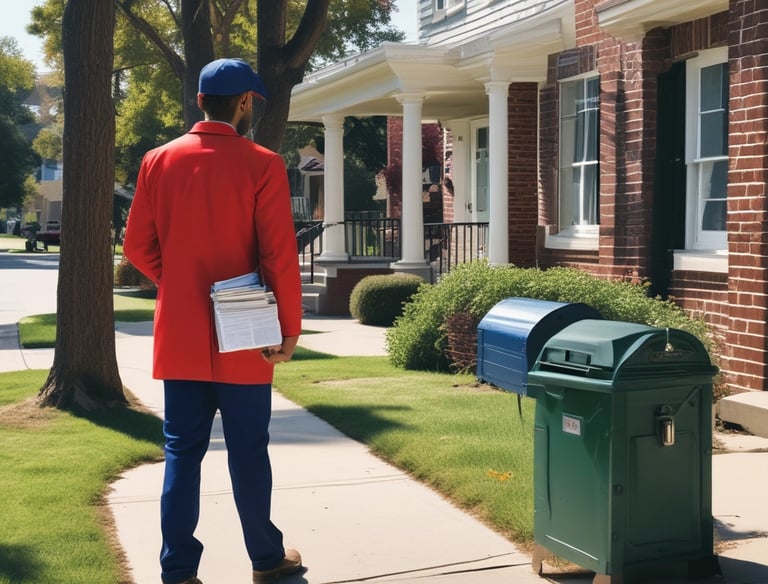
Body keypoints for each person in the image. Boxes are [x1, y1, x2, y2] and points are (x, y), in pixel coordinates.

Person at [123, 58, 303, 584]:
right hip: (245, 332)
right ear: (245, 102)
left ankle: (178, 571)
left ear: (201, 101)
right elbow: (277, 255)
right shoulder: (262, 163)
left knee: (181, 451)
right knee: (249, 450)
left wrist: (177, 279)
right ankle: (266, 559)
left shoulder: (157, 160)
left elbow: (136, 246)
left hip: (180, 332)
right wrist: (287, 328)